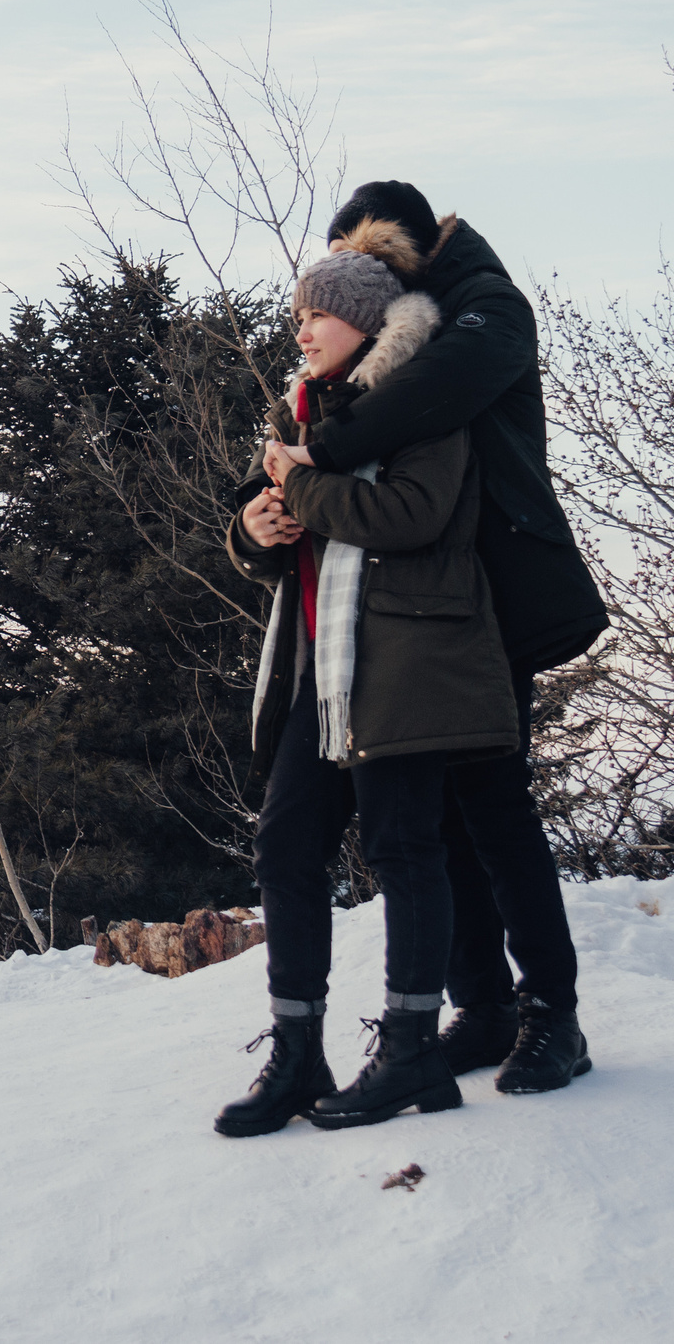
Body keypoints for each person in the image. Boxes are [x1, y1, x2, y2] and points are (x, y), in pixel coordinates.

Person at [277, 181, 603, 1096]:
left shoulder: (484, 308)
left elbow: (433, 395)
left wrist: (322, 458)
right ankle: (486, 1005)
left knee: (495, 808)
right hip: (428, 610)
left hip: (493, 594)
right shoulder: (406, 320)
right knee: (442, 813)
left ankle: (555, 1015)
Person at [212, 222, 522, 1136]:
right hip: (324, 670)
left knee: (402, 849)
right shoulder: (298, 414)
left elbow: (412, 515)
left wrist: (302, 488)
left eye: (318, 315)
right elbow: (272, 529)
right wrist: (255, 531)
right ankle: (298, 1050)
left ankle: (414, 1050)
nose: (301, 330)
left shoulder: (422, 401)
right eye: (299, 313)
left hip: (406, 667)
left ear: (363, 322)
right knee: (284, 847)